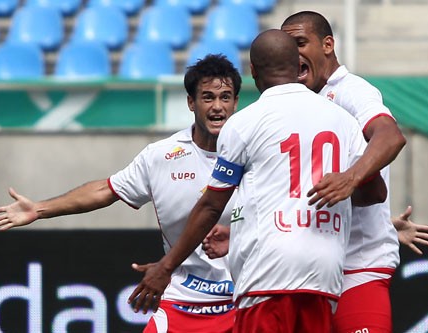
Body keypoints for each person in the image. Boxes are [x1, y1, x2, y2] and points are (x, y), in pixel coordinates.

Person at [128, 29, 388, 333]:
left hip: (267, 278)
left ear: (252, 72)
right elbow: (375, 192)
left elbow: (212, 206)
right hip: (324, 276)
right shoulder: (342, 119)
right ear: (298, 66)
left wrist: (166, 267)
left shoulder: (244, 123)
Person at [0, 54, 242, 333]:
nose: (218, 106)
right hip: (182, 301)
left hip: (244, 300)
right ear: (191, 102)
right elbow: (105, 190)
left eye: (225, 97)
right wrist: (39, 209)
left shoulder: (252, 153)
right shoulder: (162, 156)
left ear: (235, 102)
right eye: (208, 97)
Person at [280, 11, 428, 333]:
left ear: (327, 44)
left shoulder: (352, 91)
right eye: (286, 48)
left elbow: (390, 136)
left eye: (300, 43)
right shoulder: (301, 101)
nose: (293, 55)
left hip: (359, 266)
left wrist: (350, 179)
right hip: (313, 267)